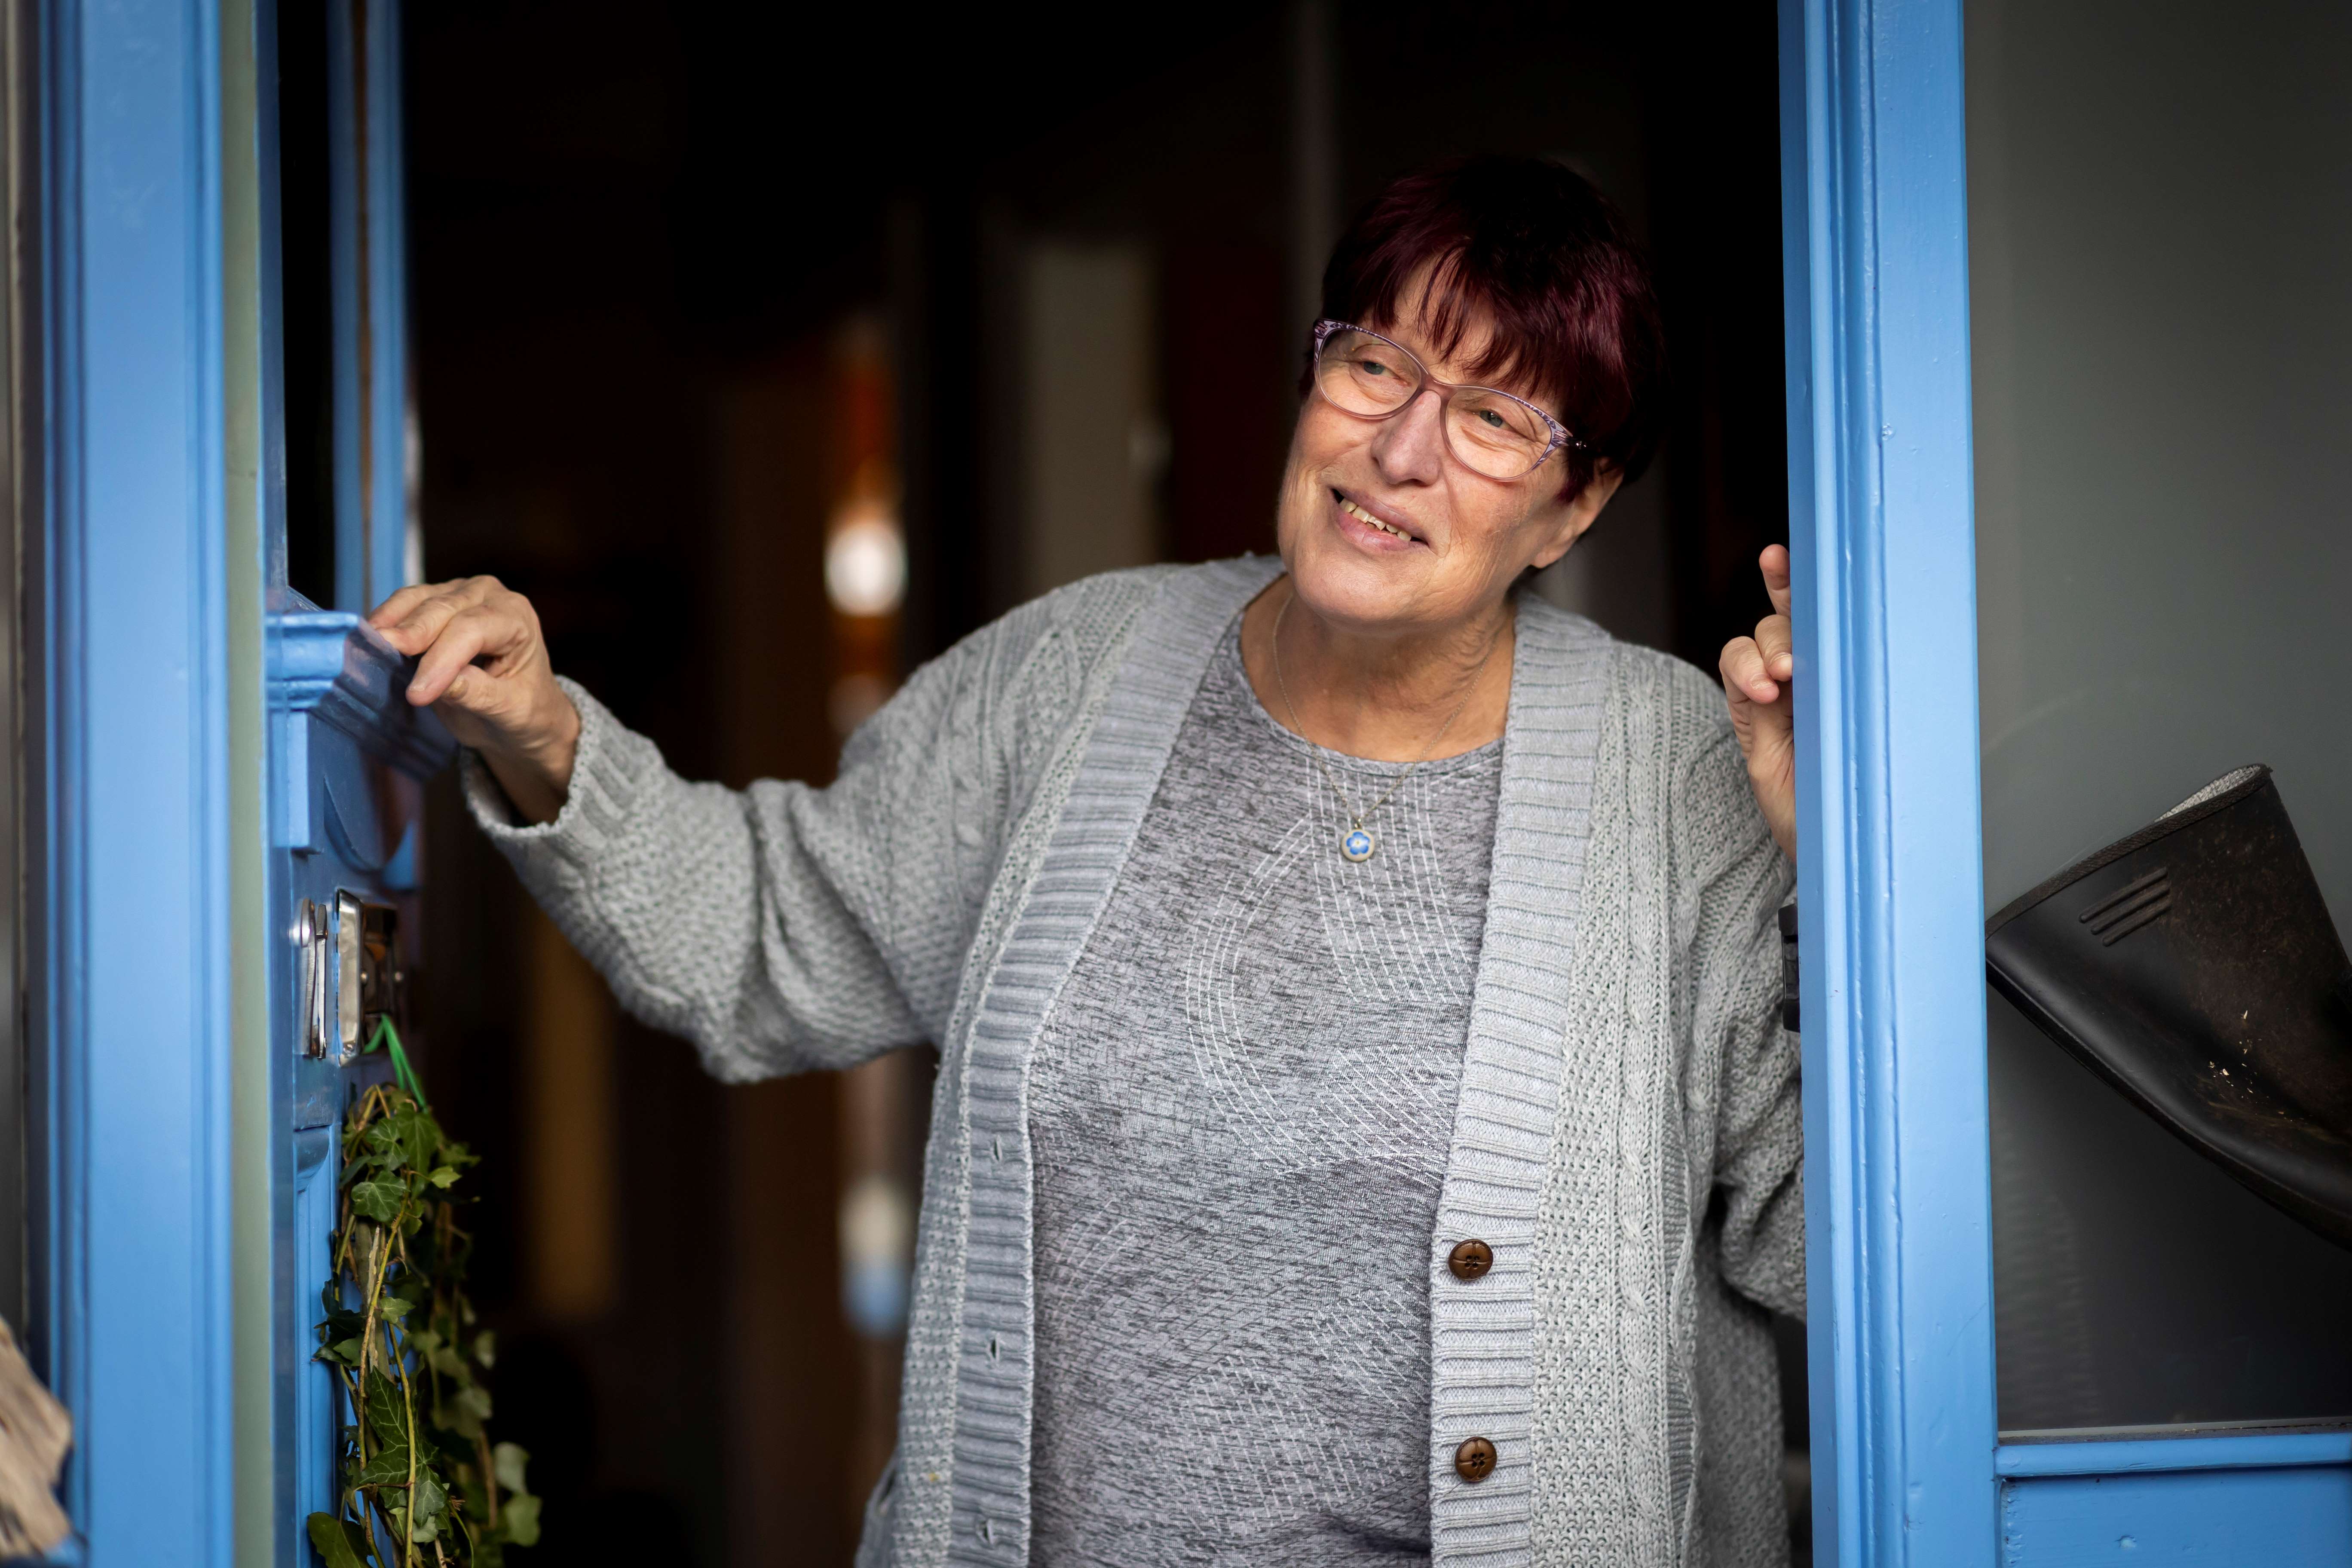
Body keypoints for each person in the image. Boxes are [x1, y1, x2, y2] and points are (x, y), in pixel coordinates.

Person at [373, 155, 1802, 1568]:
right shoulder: (1081, 672)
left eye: (1494, 417)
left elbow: (1838, 1248)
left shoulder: (1678, 778)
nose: (1404, 449)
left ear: (1577, 505)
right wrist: (544, 728)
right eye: (1376, 366)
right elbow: (769, 932)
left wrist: (1838, 878)